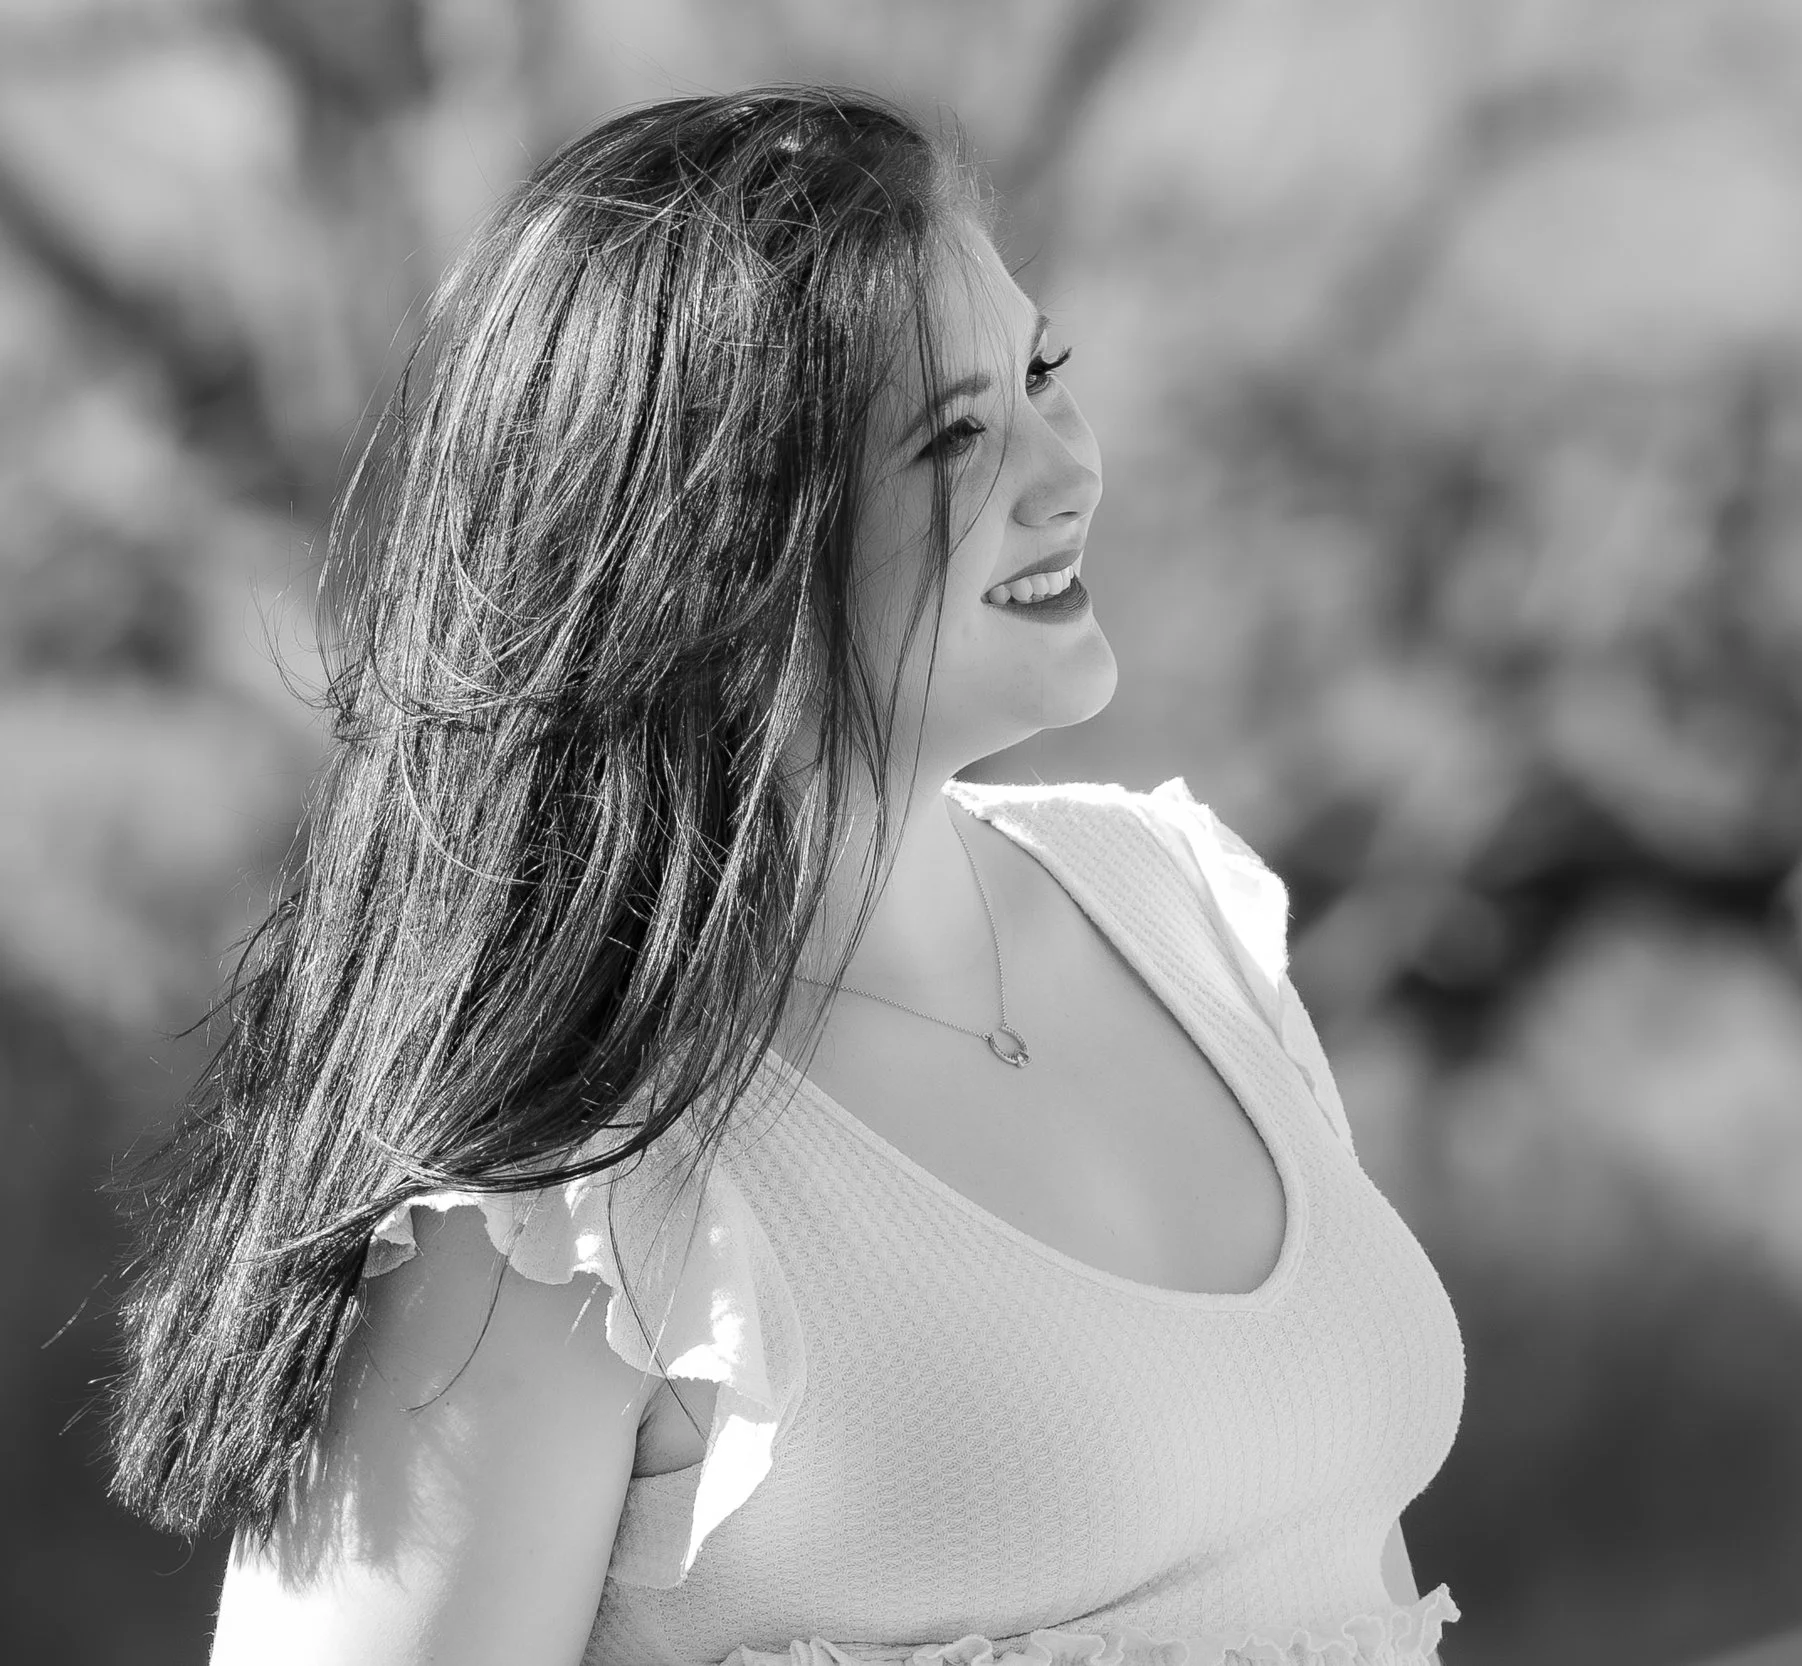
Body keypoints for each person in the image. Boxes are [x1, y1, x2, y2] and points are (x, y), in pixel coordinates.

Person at [106, 88, 1465, 1666]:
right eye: (958, 436)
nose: (1070, 472)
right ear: (719, 548)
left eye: (1043, 376)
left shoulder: (1180, 906)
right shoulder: (568, 1200)